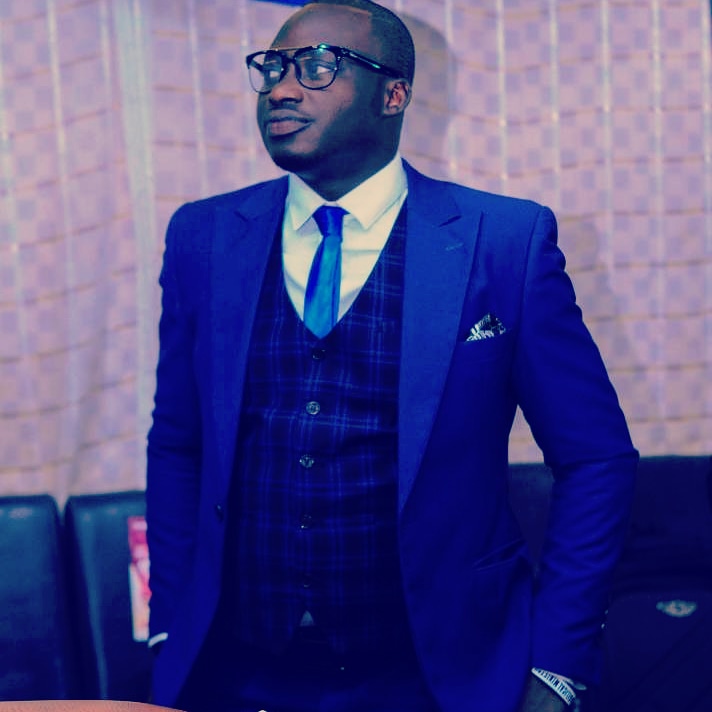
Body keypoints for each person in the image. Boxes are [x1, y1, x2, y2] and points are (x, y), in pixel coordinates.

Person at [145, 1, 638, 711]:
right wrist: (168, 626)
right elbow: (178, 443)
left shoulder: (504, 241)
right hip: (235, 671)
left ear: (394, 94)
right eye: (273, 68)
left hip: (439, 675)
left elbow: (596, 459)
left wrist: (557, 666)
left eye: (318, 67)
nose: (282, 89)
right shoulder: (204, 235)